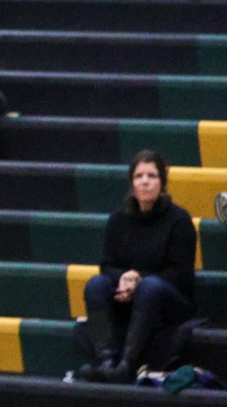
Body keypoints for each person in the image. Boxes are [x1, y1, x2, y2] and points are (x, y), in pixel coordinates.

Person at [77, 151, 197, 383]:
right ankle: (106, 359)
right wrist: (123, 277)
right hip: (130, 295)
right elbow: (107, 265)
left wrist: (139, 279)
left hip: (170, 300)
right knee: (96, 284)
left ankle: (128, 364)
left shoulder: (179, 221)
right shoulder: (118, 220)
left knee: (150, 287)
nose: (145, 181)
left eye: (152, 175)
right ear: (131, 182)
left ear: (162, 182)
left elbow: (180, 275)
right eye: (139, 175)